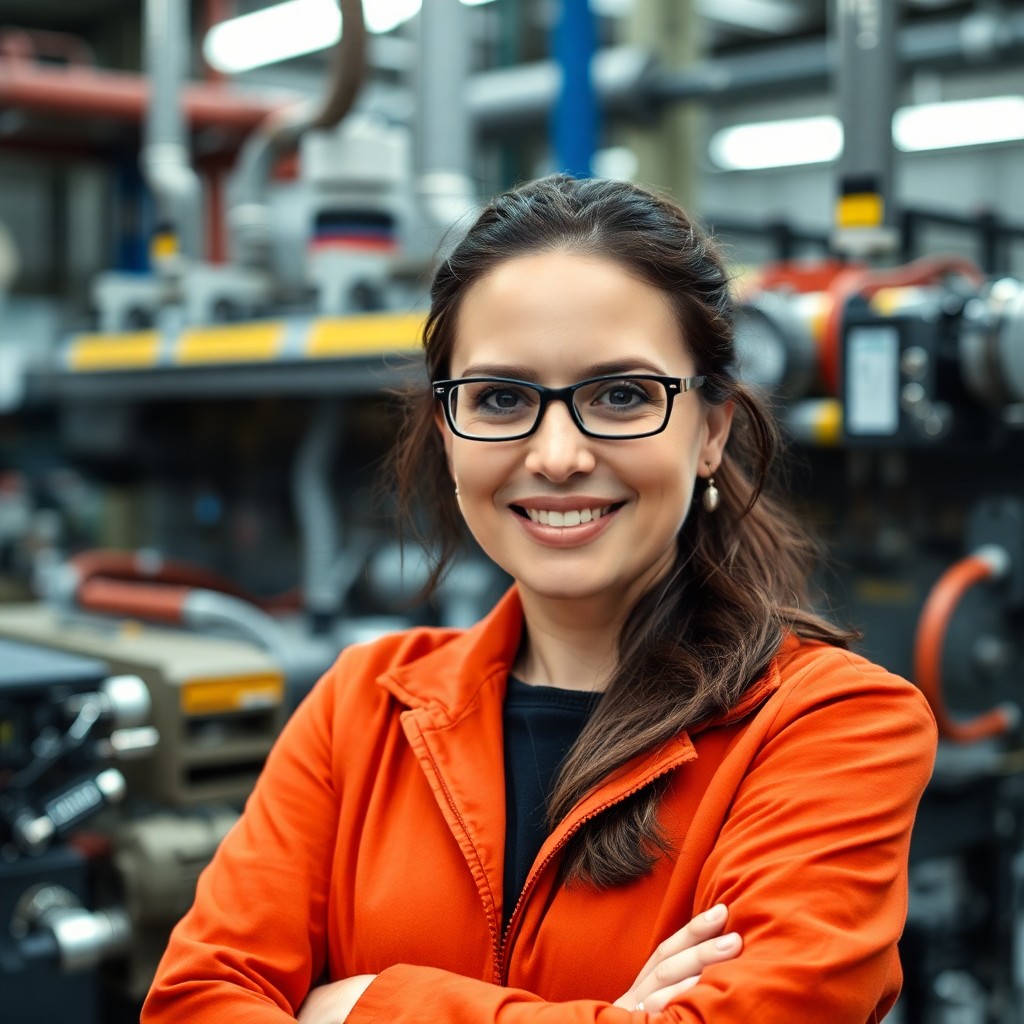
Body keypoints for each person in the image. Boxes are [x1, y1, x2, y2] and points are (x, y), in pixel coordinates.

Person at [141, 174, 937, 1023]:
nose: (556, 455)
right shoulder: (362, 709)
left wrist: (367, 1004)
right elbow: (195, 1004)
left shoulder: (835, 728)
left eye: (622, 395)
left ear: (710, 431)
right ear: (449, 434)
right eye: (501, 399)